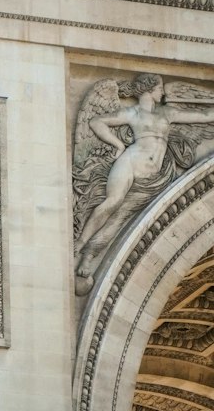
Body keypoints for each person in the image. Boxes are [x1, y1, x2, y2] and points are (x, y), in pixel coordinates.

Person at [76, 74, 214, 277]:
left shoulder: (167, 113)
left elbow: (205, 117)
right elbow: (97, 121)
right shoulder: (133, 113)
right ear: (149, 90)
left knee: (120, 216)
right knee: (112, 203)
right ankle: (80, 241)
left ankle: (89, 253)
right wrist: (118, 145)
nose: (164, 91)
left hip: (157, 177)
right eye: (159, 87)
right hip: (130, 163)